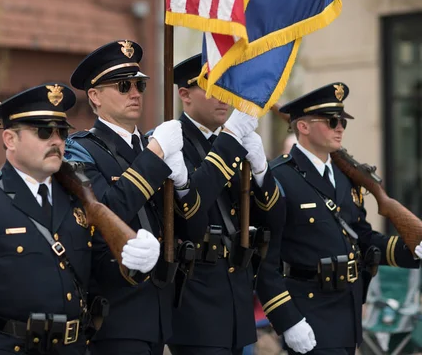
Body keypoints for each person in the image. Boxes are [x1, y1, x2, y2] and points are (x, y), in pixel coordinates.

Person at [0, 84, 162, 355]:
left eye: (61, 132)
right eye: (44, 132)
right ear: (10, 140)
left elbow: (96, 274)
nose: (56, 141)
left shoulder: (79, 200)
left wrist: (133, 261)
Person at [258, 83, 422, 355]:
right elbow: (265, 263)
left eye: (342, 121)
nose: (340, 128)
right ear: (303, 127)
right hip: (307, 314)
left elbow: (363, 239)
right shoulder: (279, 178)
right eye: (331, 121)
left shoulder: (346, 178)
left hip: (348, 314)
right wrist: (288, 321)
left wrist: (411, 250)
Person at [64, 39, 199, 355]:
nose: (135, 93)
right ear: (95, 97)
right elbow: (105, 211)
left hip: (162, 310)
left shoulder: (153, 147)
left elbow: (186, 226)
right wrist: (154, 156)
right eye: (124, 86)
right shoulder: (80, 149)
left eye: (139, 84)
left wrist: (183, 186)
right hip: (117, 313)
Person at [167, 55, 284, 355]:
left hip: (238, 298)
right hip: (195, 302)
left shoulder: (235, 147)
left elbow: (275, 219)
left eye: (226, 88)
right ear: (184, 95)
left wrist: (261, 172)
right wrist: (230, 141)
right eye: (212, 87)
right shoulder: (171, 143)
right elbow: (189, 214)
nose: (223, 98)